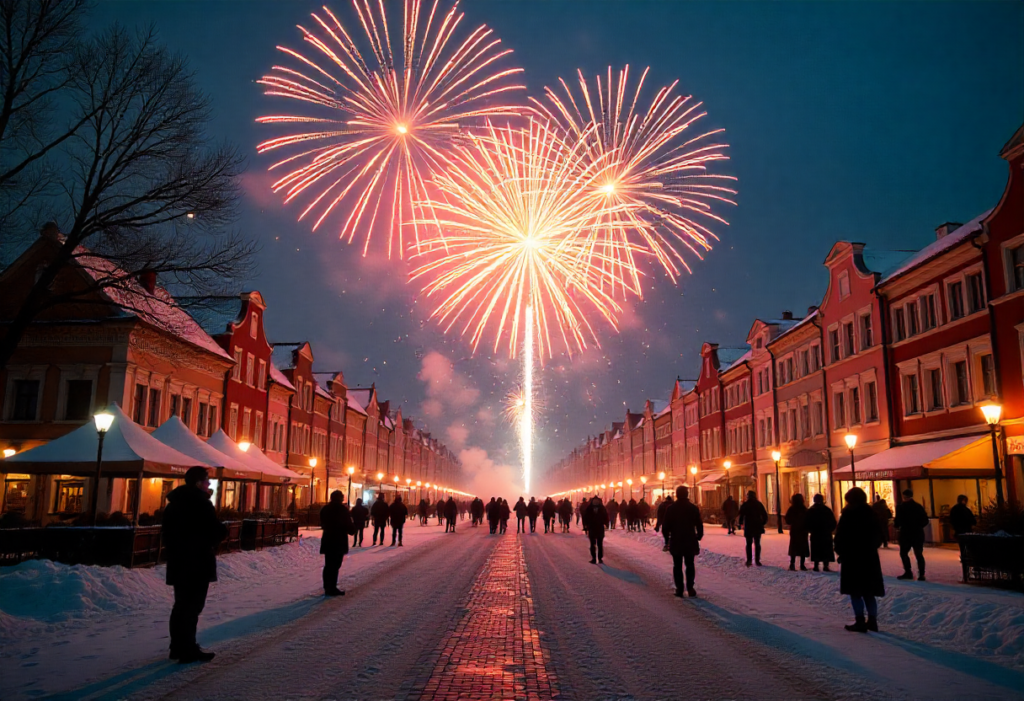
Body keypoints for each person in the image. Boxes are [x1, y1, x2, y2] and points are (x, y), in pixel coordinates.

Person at [162, 466, 227, 663]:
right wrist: (222, 530)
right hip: (198, 562)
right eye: (207, 482)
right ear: (199, 483)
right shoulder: (202, 505)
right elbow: (214, 533)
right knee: (192, 607)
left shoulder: (173, 505)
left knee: (181, 605)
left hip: (178, 562)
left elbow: (167, 535)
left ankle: (177, 646)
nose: (209, 486)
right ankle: (188, 648)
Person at [834, 487, 885, 633]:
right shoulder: (871, 514)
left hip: (852, 557)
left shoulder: (848, 514)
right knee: (868, 591)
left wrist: (841, 551)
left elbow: (841, 535)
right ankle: (872, 621)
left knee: (855, 591)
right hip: (869, 558)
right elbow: (878, 536)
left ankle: (860, 620)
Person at [664, 486, 703, 598]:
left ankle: (679, 589)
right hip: (690, 539)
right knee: (690, 564)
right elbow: (699, 524)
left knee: (677, 565)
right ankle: (690, 588)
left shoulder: (671, 508)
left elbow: (666, 526)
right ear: (687, 494)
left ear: (676, 494)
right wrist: (698, 536)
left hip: (676, 540)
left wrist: (667, 539)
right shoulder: (693, 508)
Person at [319, 490, 355, 597]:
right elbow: (348, 526)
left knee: (328, 565)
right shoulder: (342, 510)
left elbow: (322, 523)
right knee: (335, 565)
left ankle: (327, 587)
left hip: (328, 539)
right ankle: (332, 588)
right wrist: (352, 529)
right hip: (338, 540)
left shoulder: (325, 509)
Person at [894, 489, 929, 581]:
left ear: (904, 496)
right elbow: (925, 520)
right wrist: (918, 526)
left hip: (905, 534)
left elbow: (897, 522)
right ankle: (921, 574)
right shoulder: (918, 507)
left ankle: (908, 572)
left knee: (904, 553)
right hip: (917, 533)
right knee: (918, 554)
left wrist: (898, 526)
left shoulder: (900, 507)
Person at [805, 494, 837, 572]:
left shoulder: (811, 510)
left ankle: (816, 565)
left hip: (816, 534)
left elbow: (807, 522)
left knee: (816, 549)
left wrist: (811, 530)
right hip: (825, 533)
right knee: (826, 549)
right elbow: (833, 522)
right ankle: (825, 565)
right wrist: (830, 529)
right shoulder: (827, 510)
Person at [738, 490, 768, 567]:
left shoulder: (745, 505)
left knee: (748, 544)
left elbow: (741, 515)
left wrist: (740, 523)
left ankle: (749, 560)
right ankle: (757, 560)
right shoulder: (758, 504)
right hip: (757, 526)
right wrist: (762, 523)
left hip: (749, 526)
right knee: (757, 543)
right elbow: (764, 515)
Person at [785, 493, 810, 571]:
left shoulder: (792, 509)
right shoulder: (804, 509)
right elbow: (808, 519)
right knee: (802, 547)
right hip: (803, 530)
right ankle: (802, 565)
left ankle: (792, 564)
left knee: (794, 547)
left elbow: (787, 519)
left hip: (795, 530)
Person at [583, 496, 608, 564]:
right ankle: (594, 558)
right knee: (592, 544)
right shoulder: (589, 509)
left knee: (600, 544)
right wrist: (585, 526)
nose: (596, 502)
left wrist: (606, 523)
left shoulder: (602, 508)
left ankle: (600, 558)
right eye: (595, 501)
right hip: (592, 528)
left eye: (597, 501)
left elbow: (606, 516)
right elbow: (585, 517)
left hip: (600, 528)